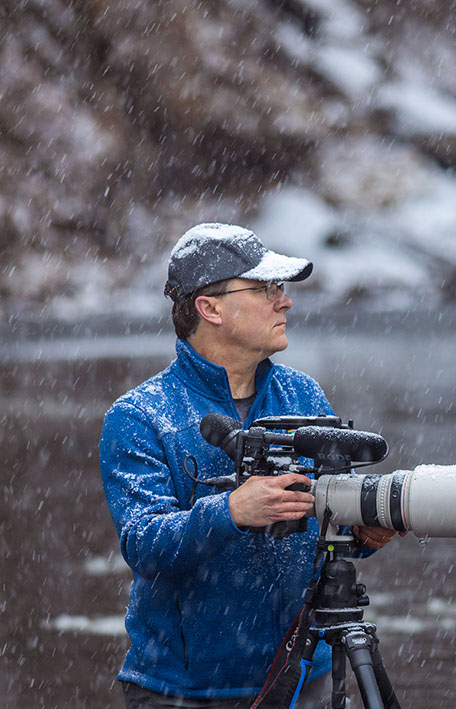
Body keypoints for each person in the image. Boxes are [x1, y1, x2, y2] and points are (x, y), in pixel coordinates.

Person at [100, 223, 398, 707]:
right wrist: (232, 511)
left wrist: (362, 536)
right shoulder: (140, 416)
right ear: (209, 308)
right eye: (266, 289)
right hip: (183, 691)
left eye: (281, 288)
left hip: (303, 674)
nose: (286, 301)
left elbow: (322, 521)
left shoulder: (304, 395)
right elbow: (145, 545)